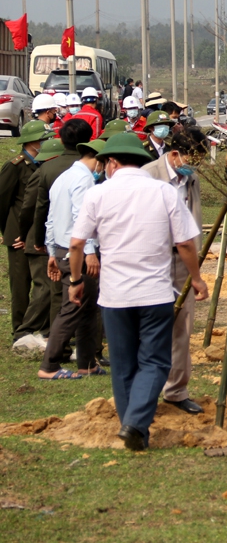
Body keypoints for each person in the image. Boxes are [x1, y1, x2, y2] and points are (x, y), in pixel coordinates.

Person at [70, 132, 208, 450]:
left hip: (114, 295)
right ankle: (135, 425)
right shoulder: (164, 192)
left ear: (112, 163)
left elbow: (76, 244)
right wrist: (196, 278)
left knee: (122, 364)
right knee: (155, 361)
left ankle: (132, 426)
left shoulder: (98, 194)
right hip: (155, 293)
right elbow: (185, 243)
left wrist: (76, 281)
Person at [139, 146, 203, 413]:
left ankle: (176, 390)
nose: (193, 164)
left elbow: (193, 220)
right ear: (175, 153)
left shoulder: (191, 178)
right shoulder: (148, 175)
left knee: (182, 326)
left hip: (182, 259)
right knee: (149, 325)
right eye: (191, 158)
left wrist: (195, 266)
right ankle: (142, 393)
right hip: (153, 258)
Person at [39, 139, 103, 379]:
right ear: (98, 161)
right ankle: (49, 365)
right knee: (73, 307)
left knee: (87, 307)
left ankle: (87, 363)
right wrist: (89, 252)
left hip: (61, 248)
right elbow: (81, 218)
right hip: (77, 251)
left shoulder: (62, 178)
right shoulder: (84, 180)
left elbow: (51, 219)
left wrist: (51, 252)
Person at [2, 122, 55, 352]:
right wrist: (7, 232)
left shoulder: (44, 163)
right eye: (42, 138)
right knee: (20, 284)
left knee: (42, 282)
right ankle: (19, 330)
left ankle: (37, 327)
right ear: (31, 141)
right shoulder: (15, 166)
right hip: (17, 234)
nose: (46, 141)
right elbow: (3, 200)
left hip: (37, 232)